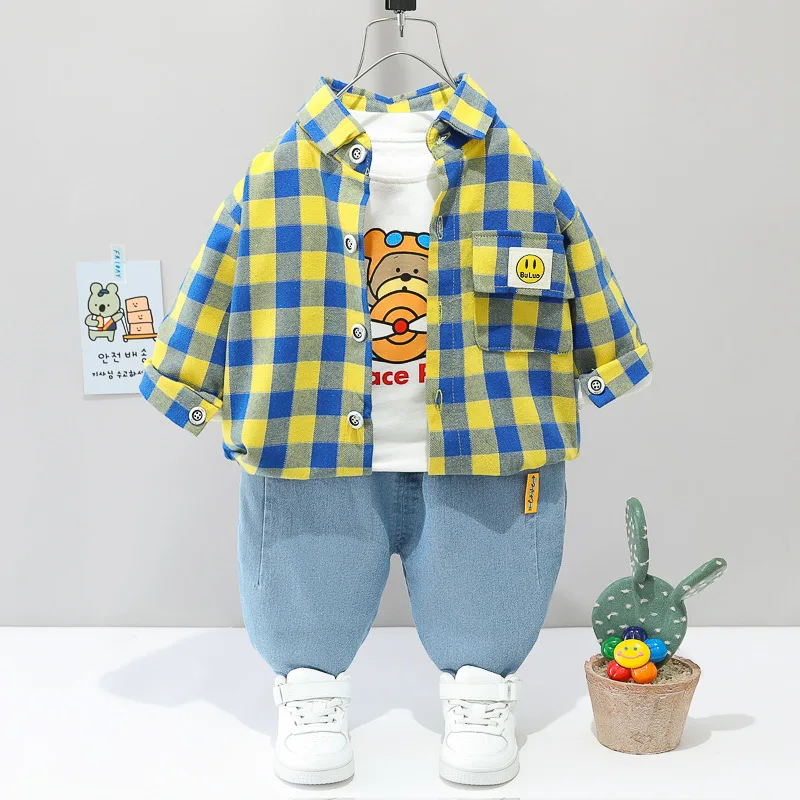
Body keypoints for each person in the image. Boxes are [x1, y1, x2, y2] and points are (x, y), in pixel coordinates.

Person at [140, 72, 653, 787]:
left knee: (491, 579)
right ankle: (310, 688)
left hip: (486, 443)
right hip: (314, 436)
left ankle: (481, 689)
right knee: (303, 583)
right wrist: (186, 382)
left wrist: (607, 360)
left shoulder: (514, 170)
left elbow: (581, 263)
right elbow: (218, 276)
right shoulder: (277, 175)